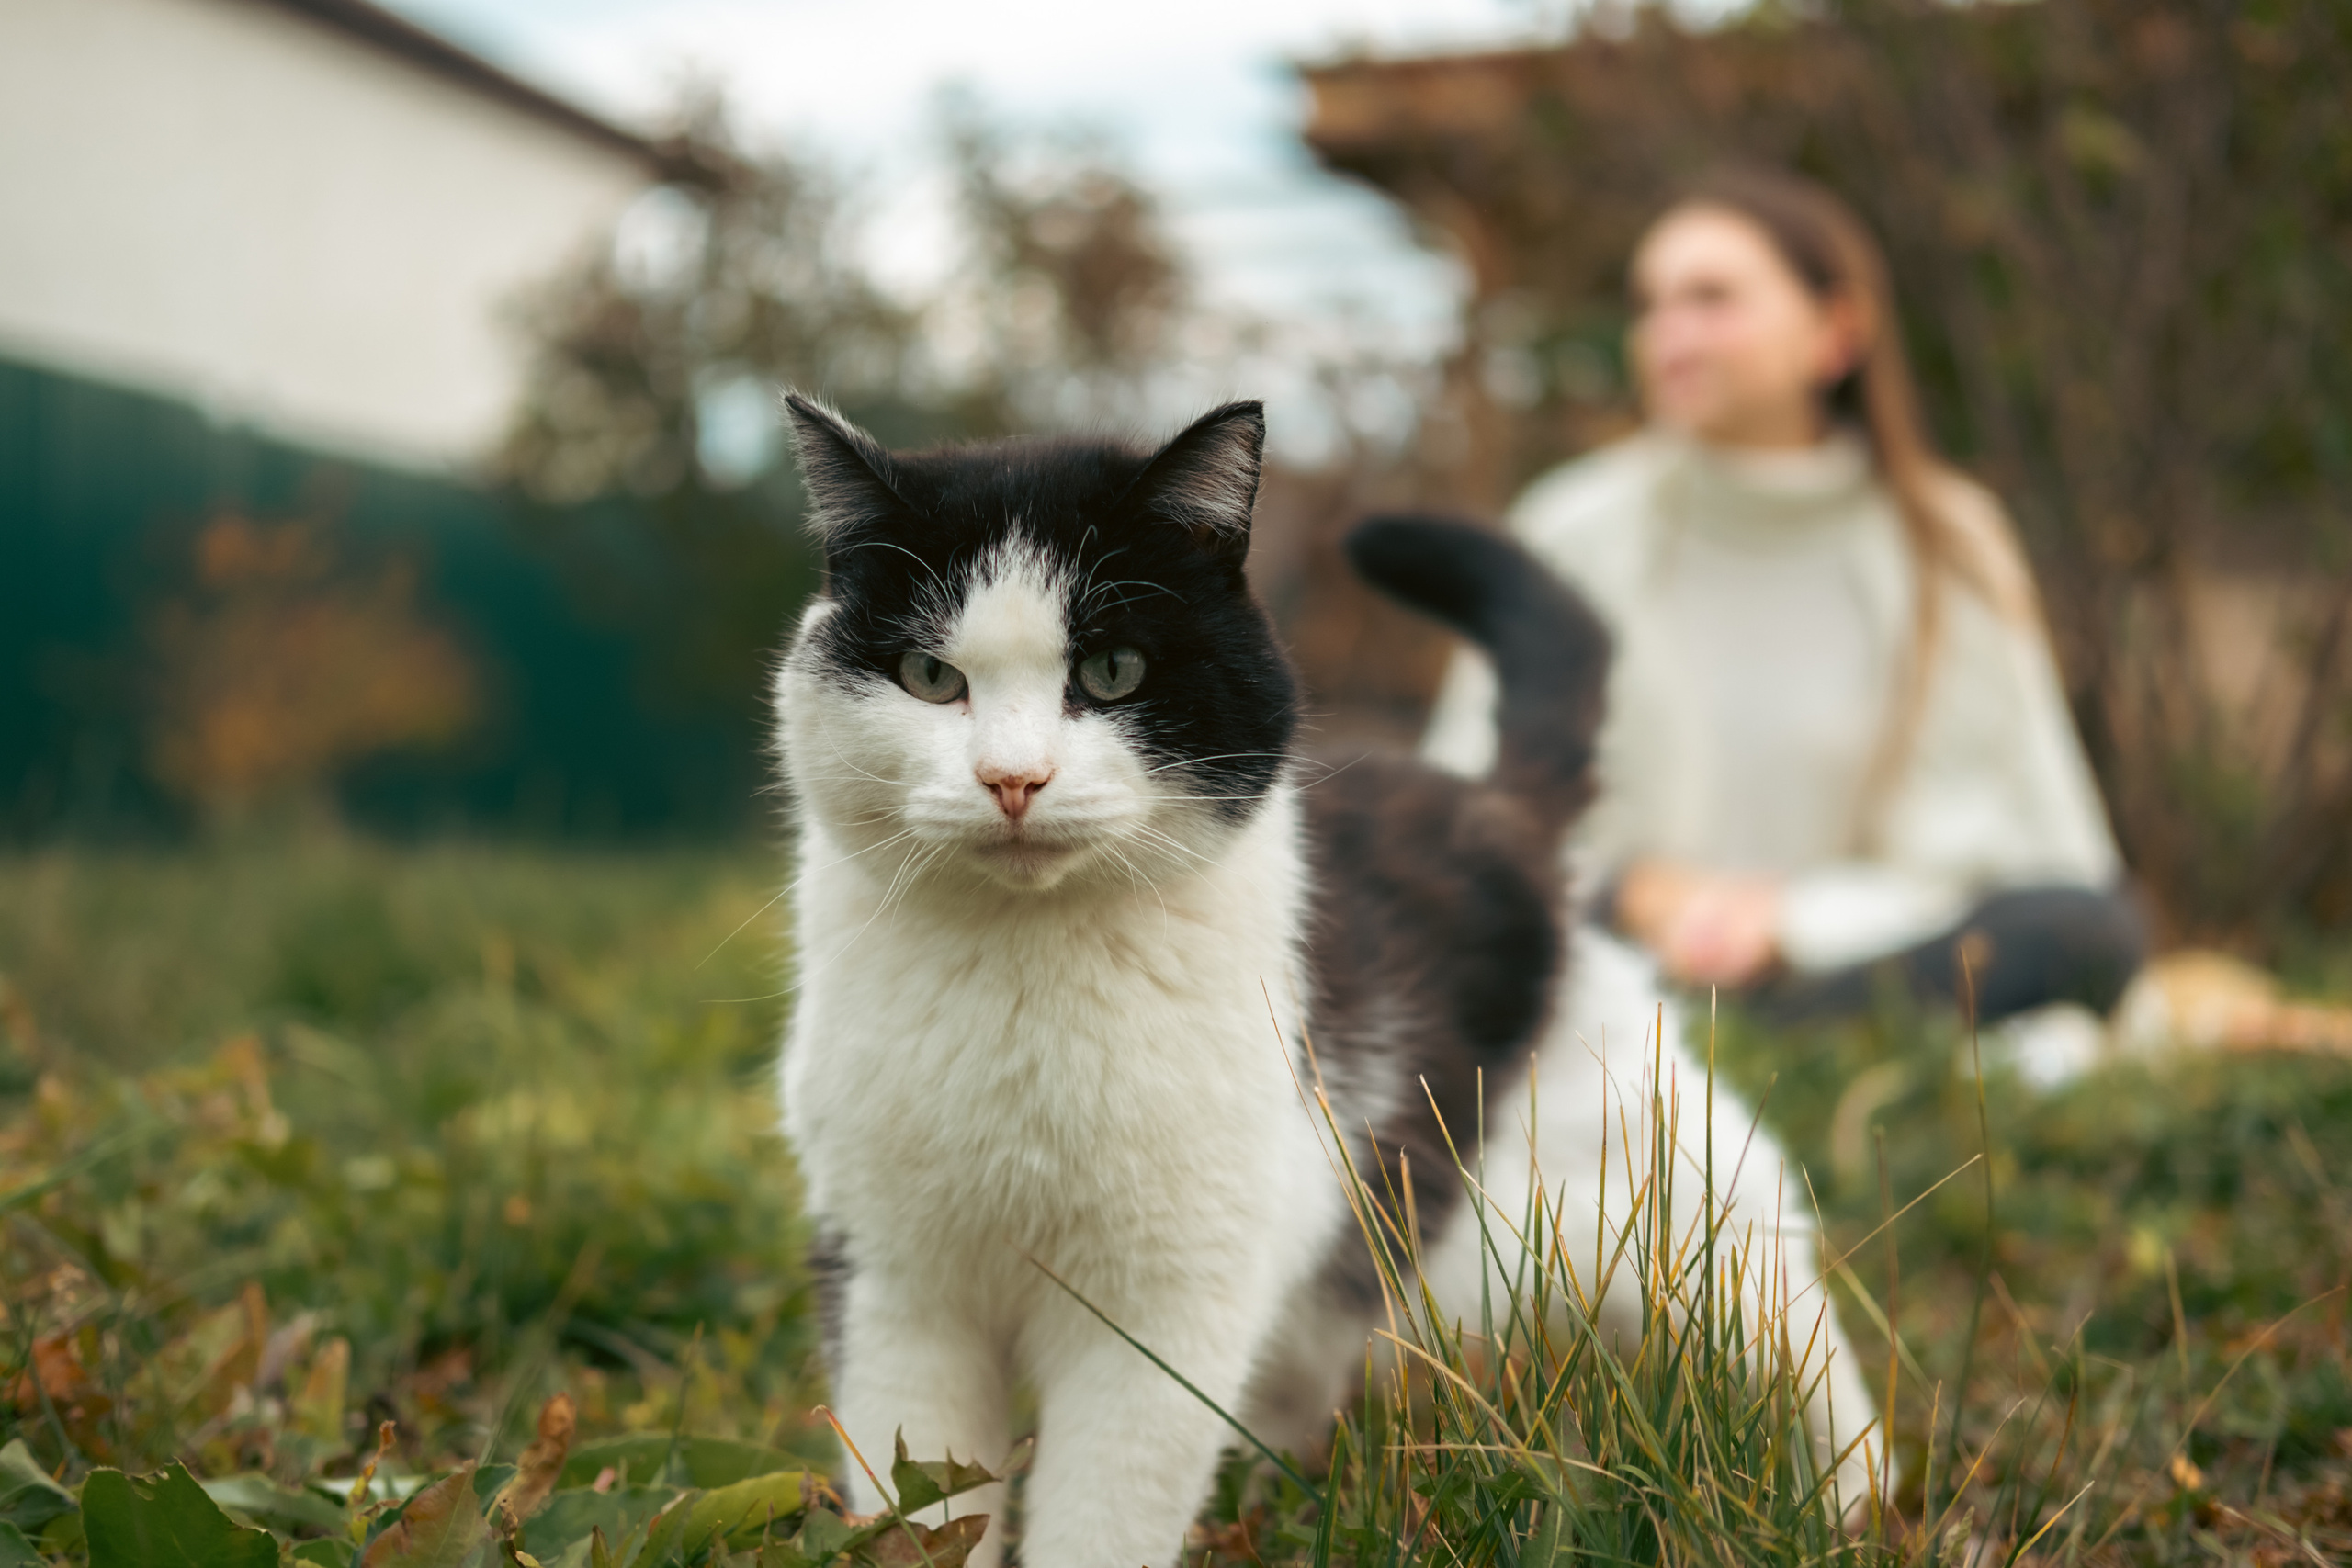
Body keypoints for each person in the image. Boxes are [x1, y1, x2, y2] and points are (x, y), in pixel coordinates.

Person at [1421, 166, 2145, 1034]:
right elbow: (1463, 823)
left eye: (1712, 299)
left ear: (1835, 332)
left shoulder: (1950, 538)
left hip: (1865, 951)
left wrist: (1790, 921)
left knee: (2087, 931)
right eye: (1651, 305)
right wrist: (1651, 897)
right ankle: (1723, 1031)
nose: (1668, 336)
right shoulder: (1565, 529)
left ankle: (1737, 1033)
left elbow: (2032, 854)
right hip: (1618, 947)